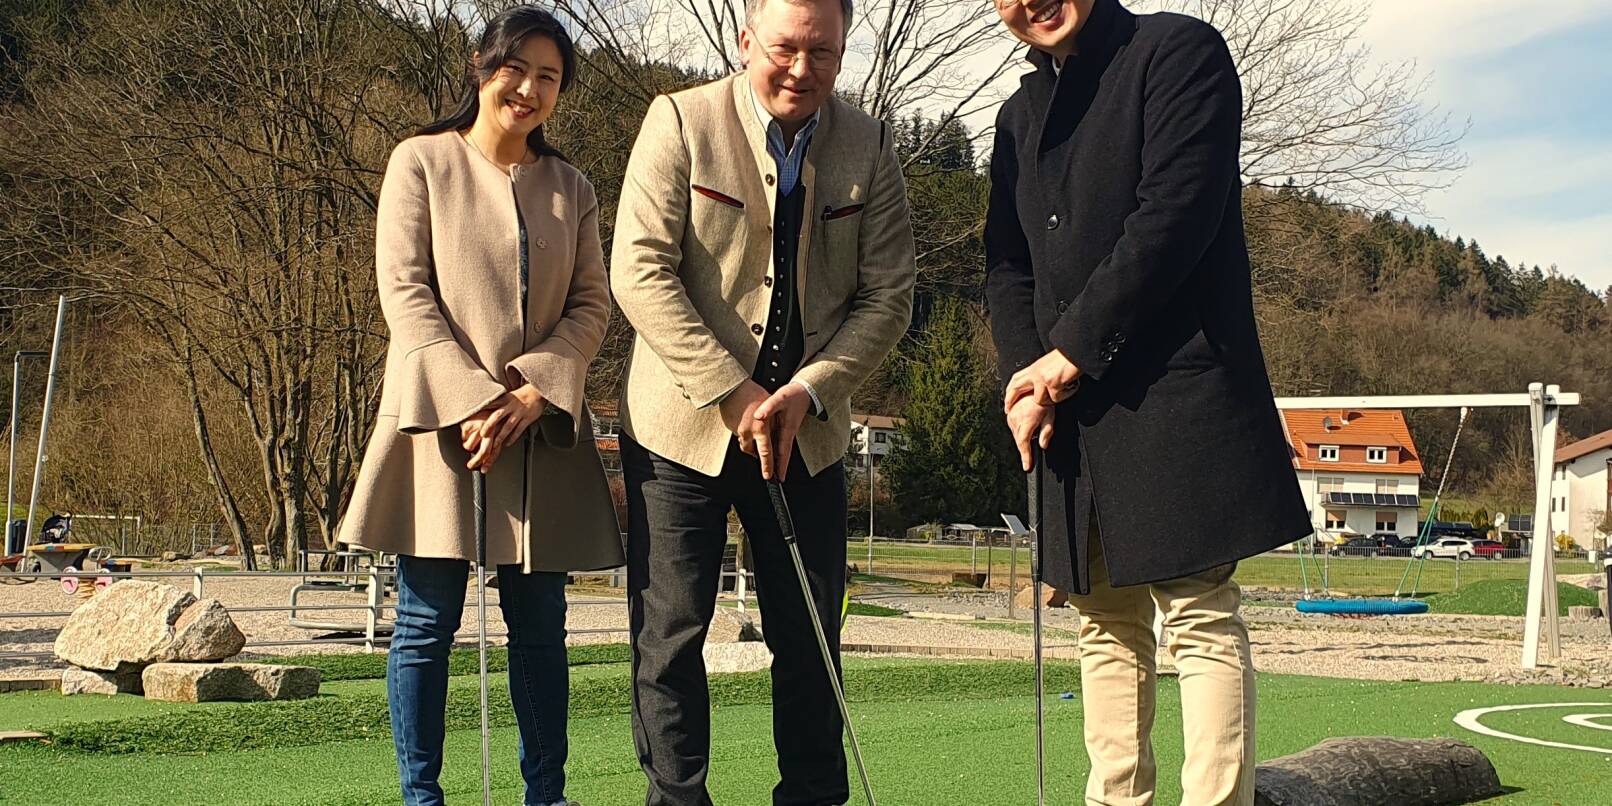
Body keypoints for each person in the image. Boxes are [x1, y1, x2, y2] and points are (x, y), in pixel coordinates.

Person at [984, 1, 1312, 804]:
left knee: (1198, 618)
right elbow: (1007, 261)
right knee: (1104, 622)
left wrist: (1069, 356)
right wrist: (1028, 371)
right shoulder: (1017, 114)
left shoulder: (1178, 52)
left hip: (1178, 392)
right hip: (1072, 412)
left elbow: (1176, 214)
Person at [609, 0, 915, 802]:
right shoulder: (677, 121)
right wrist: (734, 388)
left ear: (843, 50)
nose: (801, 68)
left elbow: (888, 298)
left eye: (824, 51)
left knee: (811, 639)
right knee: (670, 637)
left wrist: (808, 392)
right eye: (785, 47)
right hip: (680, 427)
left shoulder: (874, 145)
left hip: (808, 435)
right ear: (747, 42)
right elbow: (639, 271)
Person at [340, 7, 624, 805]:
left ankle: (547, 795)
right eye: (517, 70)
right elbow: (405, 292)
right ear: (480, 67)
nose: (529, 89)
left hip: (541, 433)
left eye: (550, 77)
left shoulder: (574, 188)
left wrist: (534, 393)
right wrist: (473, 399)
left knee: (541, 626)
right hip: (438, 424)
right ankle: (420, 796)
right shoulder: (419, 162)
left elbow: (592, 305)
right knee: (427, 621)